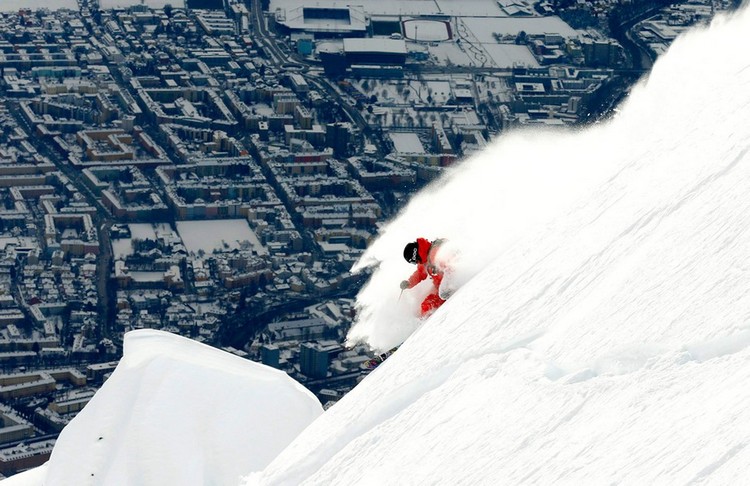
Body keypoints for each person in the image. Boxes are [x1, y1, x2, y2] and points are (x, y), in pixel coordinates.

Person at [400, 238, 446, 317]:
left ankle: (427, 322)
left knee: (426, 307)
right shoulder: (425, 259)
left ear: (415, 255)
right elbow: (420, 273)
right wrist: (409, 283)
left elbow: (451, 268)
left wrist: (448, 287)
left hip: (446, 288)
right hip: (441, 286)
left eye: (413, 261)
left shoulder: (435, 253)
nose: (416, 263)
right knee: (419, 307)